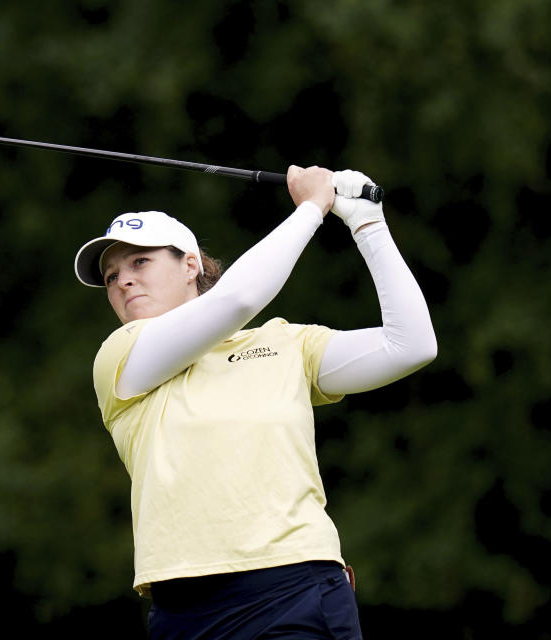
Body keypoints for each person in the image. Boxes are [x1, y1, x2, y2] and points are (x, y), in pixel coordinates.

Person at [74, 165, 437, 639]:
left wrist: (368, 224)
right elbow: (237, 300)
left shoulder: (286, 344)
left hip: (294, 586)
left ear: (190, 265)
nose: (122, 281)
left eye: (139, 262)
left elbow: (410, 345)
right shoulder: (122, 358)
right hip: (185, 608)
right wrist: (312, 208)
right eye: (111, 276)